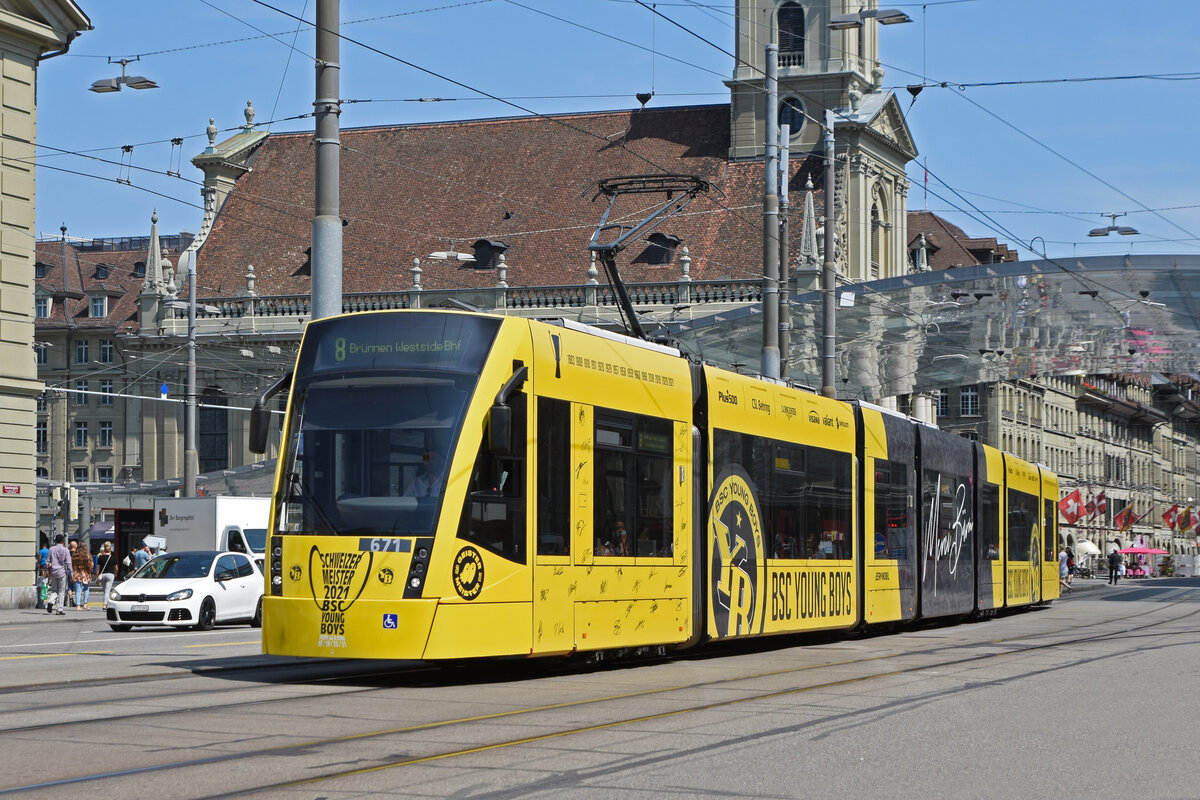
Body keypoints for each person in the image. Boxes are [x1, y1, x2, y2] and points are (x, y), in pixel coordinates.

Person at [46, 534, 70, 615]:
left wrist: (47, 568)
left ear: (55, 541)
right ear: (63, 541)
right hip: (61, 572)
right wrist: (72, 572)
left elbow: (47, 561)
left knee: (54, 590)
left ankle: (50, 602)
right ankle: (59, 609)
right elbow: (68, 563)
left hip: (53, 572)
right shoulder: (66, 550)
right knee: (61, 591)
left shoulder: (51, 549)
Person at [70, 540, 94, 610]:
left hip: (77, 573)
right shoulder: (87, 555)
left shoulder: (75, 555)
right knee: (86, 589)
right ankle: (85, 604)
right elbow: (91, 566)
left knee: (78, 590)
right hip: (85, 573)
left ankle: (78, 606)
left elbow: (72, 565)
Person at [95, 542, 118, 611]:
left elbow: (98, 568)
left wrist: (97, 577)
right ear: (110, 548)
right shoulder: (113, 558)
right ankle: (105, 605)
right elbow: (116, 568)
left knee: (105, 591)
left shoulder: (100, 557)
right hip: (110, 575)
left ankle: (106, 604)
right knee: (107, 591)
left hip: (103, 575)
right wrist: (115, 574)